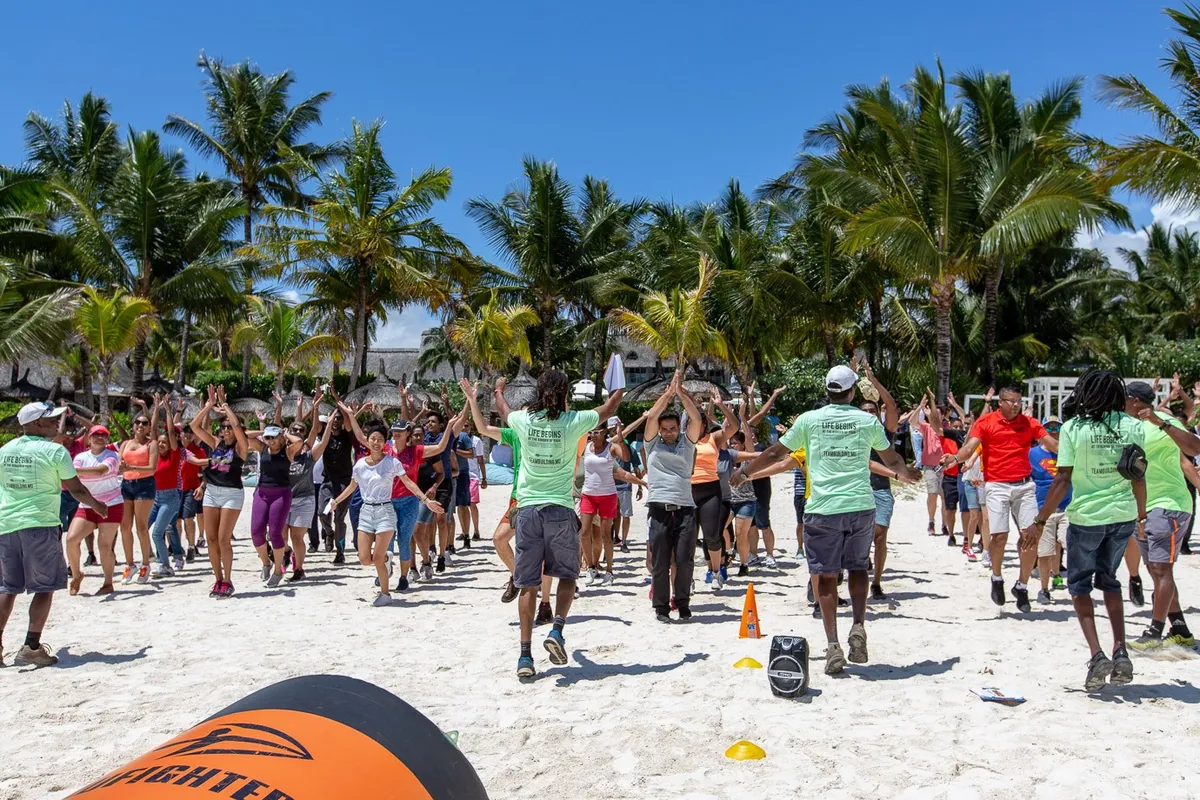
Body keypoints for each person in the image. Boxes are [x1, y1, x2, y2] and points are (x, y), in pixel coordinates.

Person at [738, 365, 917, 676]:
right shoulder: (866, 420)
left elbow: (774, 453)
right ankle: (858, 625)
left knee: (826, 576)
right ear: (852, 393)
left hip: (822, 509)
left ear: (827, 391)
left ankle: (833, 644)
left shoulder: (809, 420)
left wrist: (743, 473)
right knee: (859, 566)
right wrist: (907, 473)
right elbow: (891, 460)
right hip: (860, 505)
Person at [481, 370, 622, 680]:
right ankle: (557, 630)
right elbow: (609, 409)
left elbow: (503, 411)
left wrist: (499, 390)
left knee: (527, 584)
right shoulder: (573, 422)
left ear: (538, 391)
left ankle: (525, 656)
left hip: (528, 509)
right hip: (559, 508)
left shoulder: (523, 420)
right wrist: (619, 386)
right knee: (568, 575)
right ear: (564, 394)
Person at [1028, 369, 1144, 691]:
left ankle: (1097, 655)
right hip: (1123, 515)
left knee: (1079, 586)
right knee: (1109, 579)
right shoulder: (1132, 426)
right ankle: (1121, 649)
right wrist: (1142, 516)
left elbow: (1062, 479)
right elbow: (1138, 475)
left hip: (1086, 517)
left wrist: (1039, 522)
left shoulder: (1074, 429)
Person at [0, 401, 106, 667]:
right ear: (35, 423)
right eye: (49, 420)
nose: (55, 424)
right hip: (40, 523)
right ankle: (32, 647)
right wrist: (98, 506)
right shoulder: (55, 451)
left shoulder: (5, 450)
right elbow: (76, 489)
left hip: (6, 525)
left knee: (7, 588)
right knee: (45, 587)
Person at [943, 384, 1059, 613]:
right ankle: (997, 578)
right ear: (1000, 402)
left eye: (1019, 401)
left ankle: (1022, 585)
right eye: (1011, 401)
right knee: (999, 536)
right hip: (996, 485)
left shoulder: (1029, 423)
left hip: (1025, 485)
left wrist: (1075, 453)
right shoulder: (985, 423)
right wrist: (954, 458)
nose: (1016, 405)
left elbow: (1052, 444)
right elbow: (969, 448)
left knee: (1030, 536)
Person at [332, 422, 443, 607]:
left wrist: (426, 500)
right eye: (373, 439)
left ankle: (385, 593)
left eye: (380, 439)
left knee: (385, 551)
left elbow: (408, 482)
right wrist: (336, 501)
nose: (376, 442)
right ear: (367, 441)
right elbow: (353, 486)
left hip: (385, 510)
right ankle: (385, 559)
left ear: (385, 443)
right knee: (365, 558)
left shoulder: (392, 462)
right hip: (366, 512)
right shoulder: (360, 464)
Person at [1125, 381, 1200, 650]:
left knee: (1160, 568)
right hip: (1141, 508)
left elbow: (1194, 449)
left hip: (1168, 504)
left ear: (1134, 400)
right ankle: (1179, 627)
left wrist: (1162, 422)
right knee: (1156, 571)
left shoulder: (1164, 421)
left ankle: (1155, 632)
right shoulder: (1125, 426)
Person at [641, 373, 703, 623]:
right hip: (658, 508)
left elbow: (696, 418)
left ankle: (683, 603)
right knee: (660, 562)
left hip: (686, 509)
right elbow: (653, 416)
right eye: (664, 429)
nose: (667, 432)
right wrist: (668, 394)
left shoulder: (687, 444)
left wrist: (681, 394)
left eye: (672, 429)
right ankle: (661, 608)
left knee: (685, 561)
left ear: (679, 429)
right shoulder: (652, 445)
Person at [189, 386, 249, 598]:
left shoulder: (241, 448)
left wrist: (225, 406)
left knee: (224, 539)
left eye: (228, 427)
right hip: (212, 492)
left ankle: (229, 580)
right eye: (222, 427)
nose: (225, 430)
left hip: (232, 493)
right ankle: (217, 579)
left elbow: (237, 426)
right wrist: (207, 407)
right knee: (212, 539)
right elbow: (194, 426)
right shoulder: (215, 444)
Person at [65, 425, 123, 595]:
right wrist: (74, 471)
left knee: (104, 546)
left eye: (103, 435)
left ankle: (108, 582)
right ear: (89, 438)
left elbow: (99, 471)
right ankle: (77, 575)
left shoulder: (112, 456)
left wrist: (72, 470)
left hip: (111, 504)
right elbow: (76, 478)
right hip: (87, 504)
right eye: (95, 434)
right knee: (71, 540)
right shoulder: (81, 457)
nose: (99, 437)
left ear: (107, 439)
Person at [691, 388, 737, 590]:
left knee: (712, 534)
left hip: (711, 489)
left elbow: (734, 426)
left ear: (704, 423)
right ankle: (687, 577)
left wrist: (720, 406)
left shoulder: (713, 438)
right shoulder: (684, 439)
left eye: (699, 422)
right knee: (688, 538)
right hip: (688, 490)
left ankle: (716, 572)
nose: (695, 425)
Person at [284, 397, 330, 584]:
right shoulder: (282, 454)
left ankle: (299, 569)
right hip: (284, 499)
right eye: (294, 430)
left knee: (297, 537)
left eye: (300, 431)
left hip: (304, 499)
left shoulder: (308, 455)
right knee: (278, 535)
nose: (298, 433)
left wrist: (316, 408)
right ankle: (286, 553)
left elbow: (316, 433)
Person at [316, 389, 365, 565]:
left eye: (338, 419)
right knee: (322, 513)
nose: (335, 421)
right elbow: (315, 426)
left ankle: (340, 551)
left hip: (344, 483)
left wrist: (338, 399)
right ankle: (328, 533)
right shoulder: (324, 437)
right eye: (332, 419)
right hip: (327, 482)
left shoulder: (347, 437)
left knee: (339, 519)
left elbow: (349, 421)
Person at [118, 396, 160, 584]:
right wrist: (122, 469)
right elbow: (120, 464)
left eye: (144, 423)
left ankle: (145, 564)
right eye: (138, 423)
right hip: (126, 485)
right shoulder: (125, 444)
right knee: (124, 526)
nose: (141, 426)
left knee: (141, 527)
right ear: (133, 425)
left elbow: (152, 468)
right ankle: (130, 564)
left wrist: (145, 406)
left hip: (144, 484)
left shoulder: (151, 444)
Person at [1029, 417, 1070, 604]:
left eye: (1057, 427)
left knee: (1068, 543)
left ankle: (1065, 577)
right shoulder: (1032, 453)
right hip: (1043, 509)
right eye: (1049, 427)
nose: (1053, 430)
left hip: (1067, 508)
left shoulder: (1069, 452)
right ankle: (1044, 589)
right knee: (1045, 551)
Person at [147, 396, 185, 578]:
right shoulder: (155, 455)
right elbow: (153, 429)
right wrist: (156, 407)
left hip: (170, 498)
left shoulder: (175, 455)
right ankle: (152, 560)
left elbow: (170, 432)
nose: (161, 443)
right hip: (155, 498)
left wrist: (169, 411)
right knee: (142, 527)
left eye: (164, 442)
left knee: (157, 533)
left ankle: (165, 565)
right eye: (159, 442)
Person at [611, 415, 645, 553]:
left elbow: (636, 468)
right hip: (611, 486)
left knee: (625, 514)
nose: (617, 430)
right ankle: (616, 538)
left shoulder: (629, 448)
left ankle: (623, 541)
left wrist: (640, 487)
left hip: (625, 485)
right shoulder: (607, 446)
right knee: (614, 515)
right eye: (615, 428)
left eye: (619, 428)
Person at [916, 392, 945, 536]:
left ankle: (946, 524)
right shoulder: (926, 428)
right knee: (932, 493)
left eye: (937, 415)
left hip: (946, 467)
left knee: (946, 497)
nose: (934, 417)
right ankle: (931, 521)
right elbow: (911, 422)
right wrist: (920, 407)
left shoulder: (947, 429)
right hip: (930, 466)